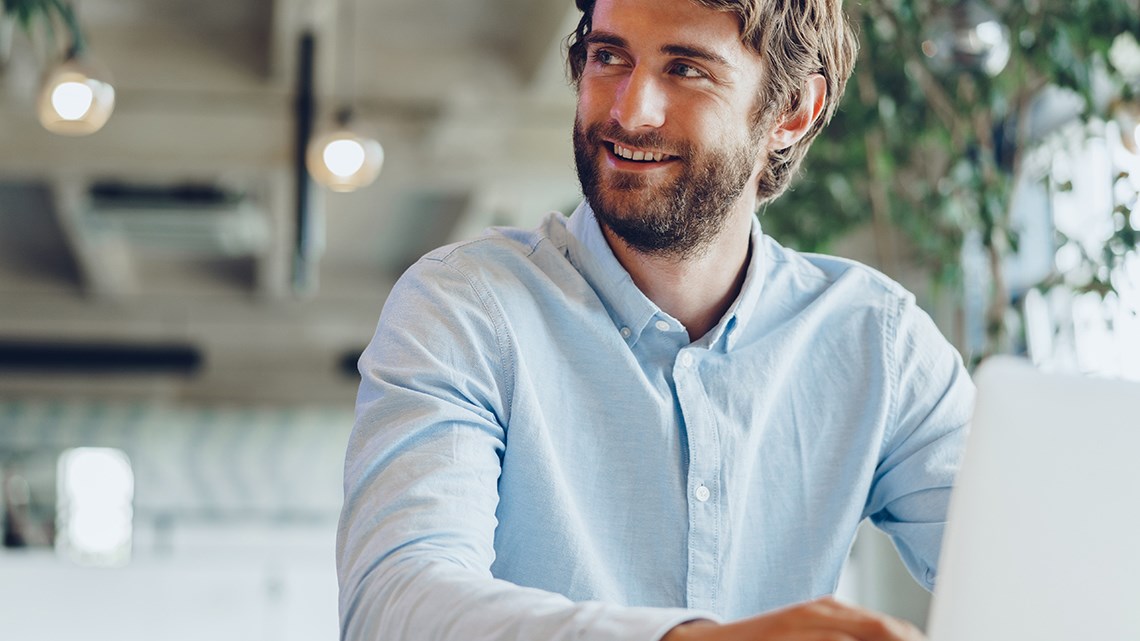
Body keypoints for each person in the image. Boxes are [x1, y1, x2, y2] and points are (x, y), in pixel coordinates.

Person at [337, 0, 974, 639]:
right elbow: (395, 603)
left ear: (792, 112)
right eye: (609, 57)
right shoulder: (466, 306)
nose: (628, 111)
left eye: (687, 69)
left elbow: (1038, 571)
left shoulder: (878, 341)